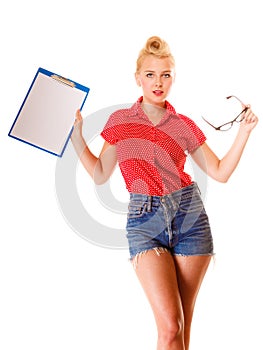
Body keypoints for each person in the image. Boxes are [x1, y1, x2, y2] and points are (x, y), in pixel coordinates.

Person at [71, 36, 258, 350]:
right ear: (137, 78)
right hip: (145, 221)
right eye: (150, 74)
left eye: (166, 74)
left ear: (173, 78)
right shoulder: (120, 121)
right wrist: (77, 137)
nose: (158, 82)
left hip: (189, 217)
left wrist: (245, 132)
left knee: (181, 332)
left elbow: (220, 172)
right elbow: (101, 174)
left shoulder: (182, 125)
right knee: (171, 325)